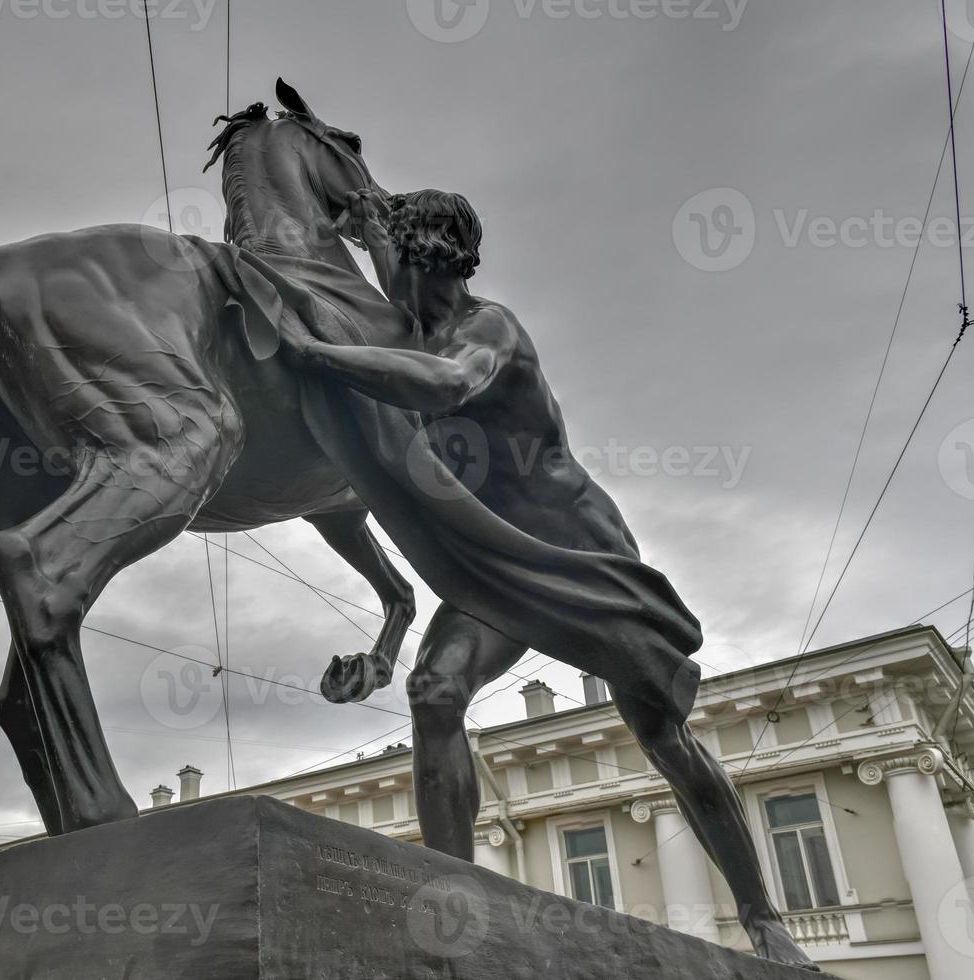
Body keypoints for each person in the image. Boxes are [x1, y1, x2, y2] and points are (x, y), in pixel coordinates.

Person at [284, 188, 815, 969]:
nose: (386, 271)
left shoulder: (483, 329)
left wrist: (313, 354)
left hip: (578, 548)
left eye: (396, 255)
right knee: (434, 694)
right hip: (498, 561)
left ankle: (762, 918)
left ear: (432, 259)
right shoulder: (404, 327)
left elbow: (446, 386)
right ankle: (454, 906)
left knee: (662, 734)